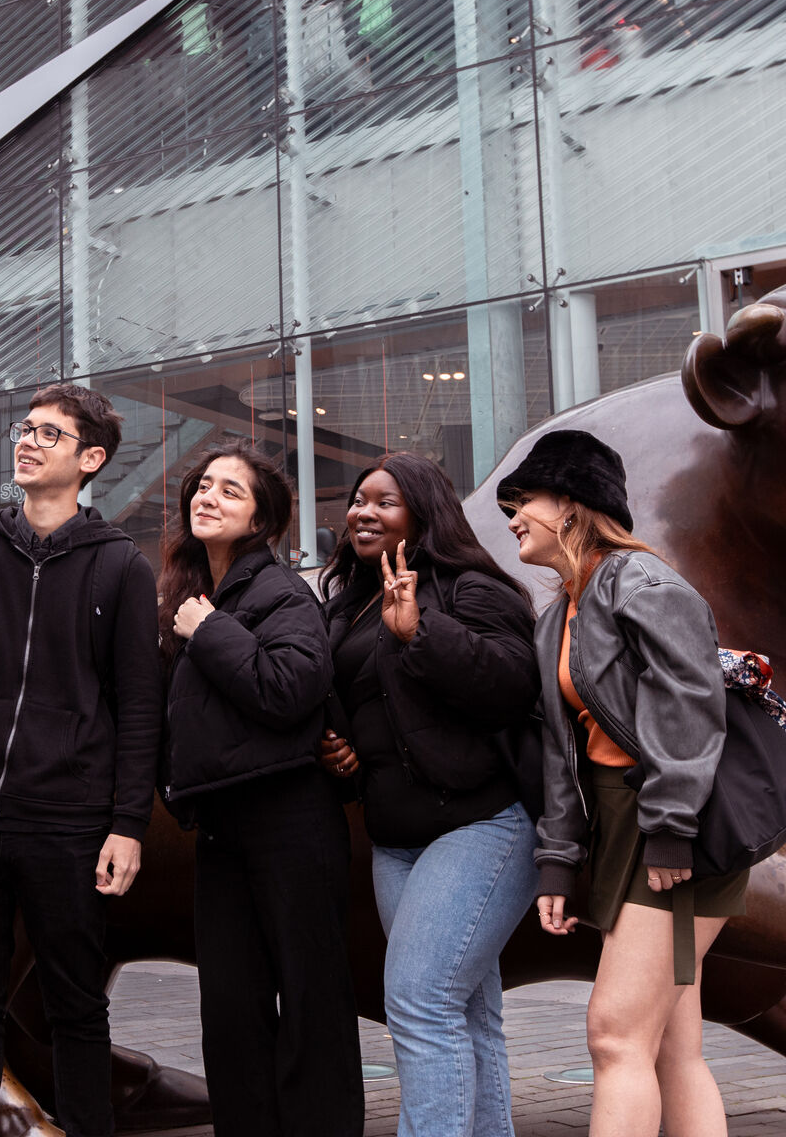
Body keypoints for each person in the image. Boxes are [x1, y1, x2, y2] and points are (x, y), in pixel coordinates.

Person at [0, 383, 164, 1137]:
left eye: (50, 434)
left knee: (76, 1006)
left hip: (69, 825)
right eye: (26, 428)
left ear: (90, 460)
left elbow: (138, 707)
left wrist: (127, 825)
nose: (27, 441)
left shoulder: (122, 568)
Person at [502, 429, 739, 1137]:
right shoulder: (559, 617)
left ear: (572, 506)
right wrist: (558, 859)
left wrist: (670, 830)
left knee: (614, 1034)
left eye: (526, 500)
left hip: (673, 825)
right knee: (669, 1045)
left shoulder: (643, 584)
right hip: (622, 825)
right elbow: (561, 752)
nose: (512, 516)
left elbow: (691, 710)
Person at [314, 451, 540, 1137]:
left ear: (423, 512)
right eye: (358, 500)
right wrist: (343, 750)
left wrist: (422, 633)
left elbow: (511, 686)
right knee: (466, 1008)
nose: (364, 511)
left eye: (384, 501)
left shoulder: (472, 589)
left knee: (418, 999)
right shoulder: (347, 606)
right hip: (397, 839)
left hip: (482, 824)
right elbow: (368, 706)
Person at [157, 444, 362, 1137]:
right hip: (223, 828)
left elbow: (290, 688)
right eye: (202, 486)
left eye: (230, 492)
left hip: (291, 823)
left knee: (312, 1008)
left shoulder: (279, 593)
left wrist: (209, 631)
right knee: (232, 1013)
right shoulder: (195, 598)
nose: (207, 498)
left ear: (260, 519)